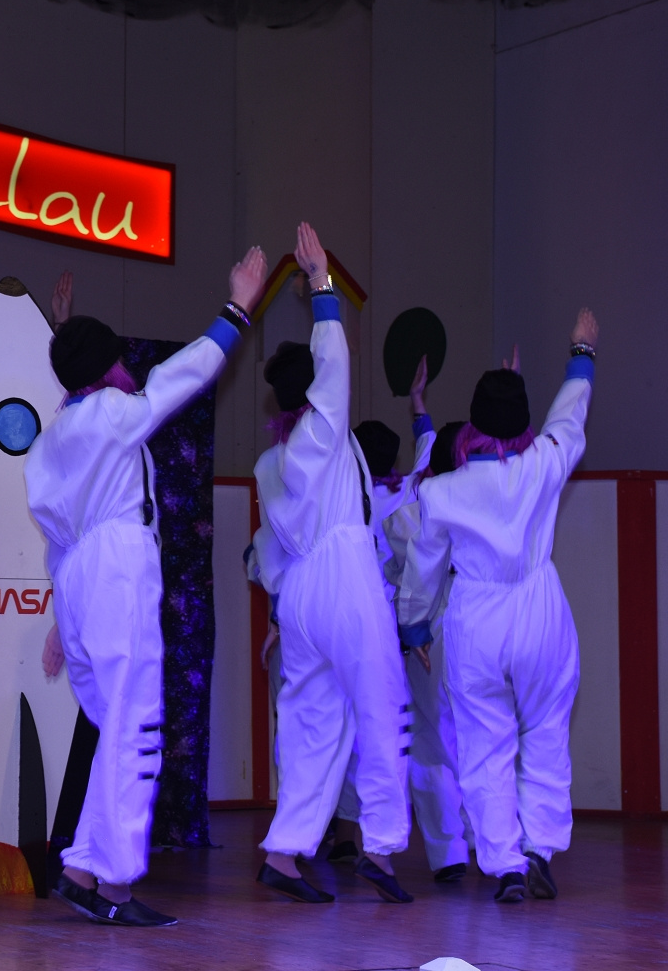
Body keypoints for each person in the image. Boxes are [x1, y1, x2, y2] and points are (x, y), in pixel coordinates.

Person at [26, 244, 266, 927]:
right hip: (115, 567)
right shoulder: (110, 412)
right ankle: (113, 884)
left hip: (78, 579)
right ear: (106, 369)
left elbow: (58, 540)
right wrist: (237, 307)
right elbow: (178, 378)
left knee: (116, 726)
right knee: (135, 727)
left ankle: (82, 867)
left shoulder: (51, 441)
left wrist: (60, 619)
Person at [398, 310, 599, 903]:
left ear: (473, 422)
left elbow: (423, 568)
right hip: (539, 609)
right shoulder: (544, 463)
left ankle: (506, 865)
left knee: (485, 745)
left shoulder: (441, 491)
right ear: (523, 424)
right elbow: (568, 417)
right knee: (546, 731)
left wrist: (415, 627)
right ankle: (539, 849)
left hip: (476, 617)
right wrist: (582, 353)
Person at [253, 223, 413, 905]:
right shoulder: (324, 429)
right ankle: (379, 847)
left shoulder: (270, 462)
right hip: (345, 576)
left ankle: (284, 853)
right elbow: (336, 356)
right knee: (381, 704)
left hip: (298, 593)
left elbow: (268, 552)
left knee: (312, 721)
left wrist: (277, 614)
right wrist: (320, 285)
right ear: (314, 391)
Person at [327, 367, 469, 883]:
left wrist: (411, 629)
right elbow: (431, 450)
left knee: (404, 739)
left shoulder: (388, 506)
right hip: (463, 625)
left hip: (403, 630)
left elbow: (413, 575)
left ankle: (438, 851)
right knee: (485, 737)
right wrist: (419, 405)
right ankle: (499, 846)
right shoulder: (424, 493)